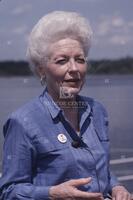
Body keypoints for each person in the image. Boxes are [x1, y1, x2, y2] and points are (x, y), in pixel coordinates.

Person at [0, 11, 131, 200]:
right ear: (41, 70)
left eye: (80, 59)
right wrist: (52, 194)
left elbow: (101, 170)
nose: (74, 69)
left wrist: (117, 187)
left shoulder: (98, 111)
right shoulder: (23, 122)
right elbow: (8, 191)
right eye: (62, 61)